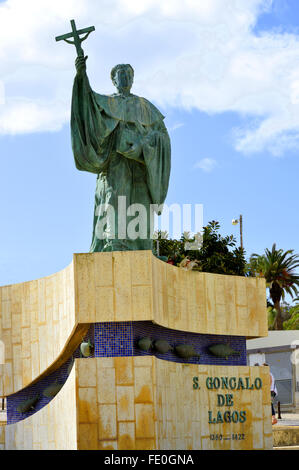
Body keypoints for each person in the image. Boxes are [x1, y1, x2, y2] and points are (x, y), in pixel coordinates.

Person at [71, 56, 171, 252]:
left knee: (141, 204)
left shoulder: (145, 107)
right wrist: (81, 76)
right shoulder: (106, 103)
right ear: (114, 80)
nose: (125, 78)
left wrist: (144, 145)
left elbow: (163, 137)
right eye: (121, 75)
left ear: (133, 79)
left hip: (142, 165)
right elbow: (86, 108)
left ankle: (143, 247)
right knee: (116, 199)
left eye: (128, 74)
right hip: (116, 163)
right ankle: (114, 243)